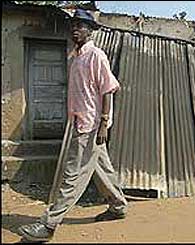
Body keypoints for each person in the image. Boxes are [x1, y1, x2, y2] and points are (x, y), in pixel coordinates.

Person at [18, 9, 128, 242]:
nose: (75, 29)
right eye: (73, 25)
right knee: (101, 167)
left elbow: (108, 90)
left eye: (80, 25)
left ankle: (49, 224)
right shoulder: (75, 58)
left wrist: (104, 124)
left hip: (90, 125)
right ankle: (118, 206)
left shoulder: (96, 56)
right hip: (79, 122)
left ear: (90, 31)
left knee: (72, 176)